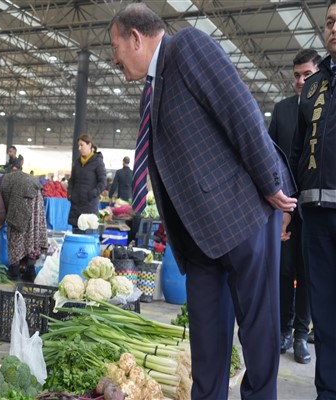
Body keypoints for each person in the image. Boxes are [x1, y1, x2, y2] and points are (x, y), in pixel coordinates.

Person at [110, 4, 297, 399]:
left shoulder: (189, 48)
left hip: (241, 216)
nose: (114, 59)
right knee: (207, 345)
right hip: (198, 239)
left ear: (135, 38)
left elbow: (241, 110)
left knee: (258, 331)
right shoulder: (151, 89)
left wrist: (270, 182)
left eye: (115, 46)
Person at [288, 2, 336, 397]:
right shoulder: (316, 86)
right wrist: (291, 205)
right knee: (324, 314)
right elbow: (299, 149)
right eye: (330, 23)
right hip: (316, 216)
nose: (334, 29)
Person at [268, 48, 321, 364]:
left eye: (307, 75)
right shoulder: (282, 110)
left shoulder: (325, 109)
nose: (301, 81)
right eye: (297, 75)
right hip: (285, 206)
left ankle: (302, 334)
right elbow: (271, 157)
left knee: (308, 273)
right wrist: (279, 207)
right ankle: (284, 330)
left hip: (315, 205)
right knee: (284, 271)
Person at [0, 171, 47, 281]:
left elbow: (2, 214)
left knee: (15, 231)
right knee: (32, 231)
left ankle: (14, 272)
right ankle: (30, 270)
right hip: (36, 190)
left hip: (22, 193)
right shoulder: (3, 180)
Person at [67, 133, 106, 233]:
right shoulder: (77, 162)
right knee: (75, 235)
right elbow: (72, 180)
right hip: (76, 205)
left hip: (89, 206)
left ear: (89, 145)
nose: (79, 148)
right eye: (78, 146)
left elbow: (103, 182)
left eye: (82, 145)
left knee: (87, 235)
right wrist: (70, 193)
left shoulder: (98, 162)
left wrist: (92, 194)